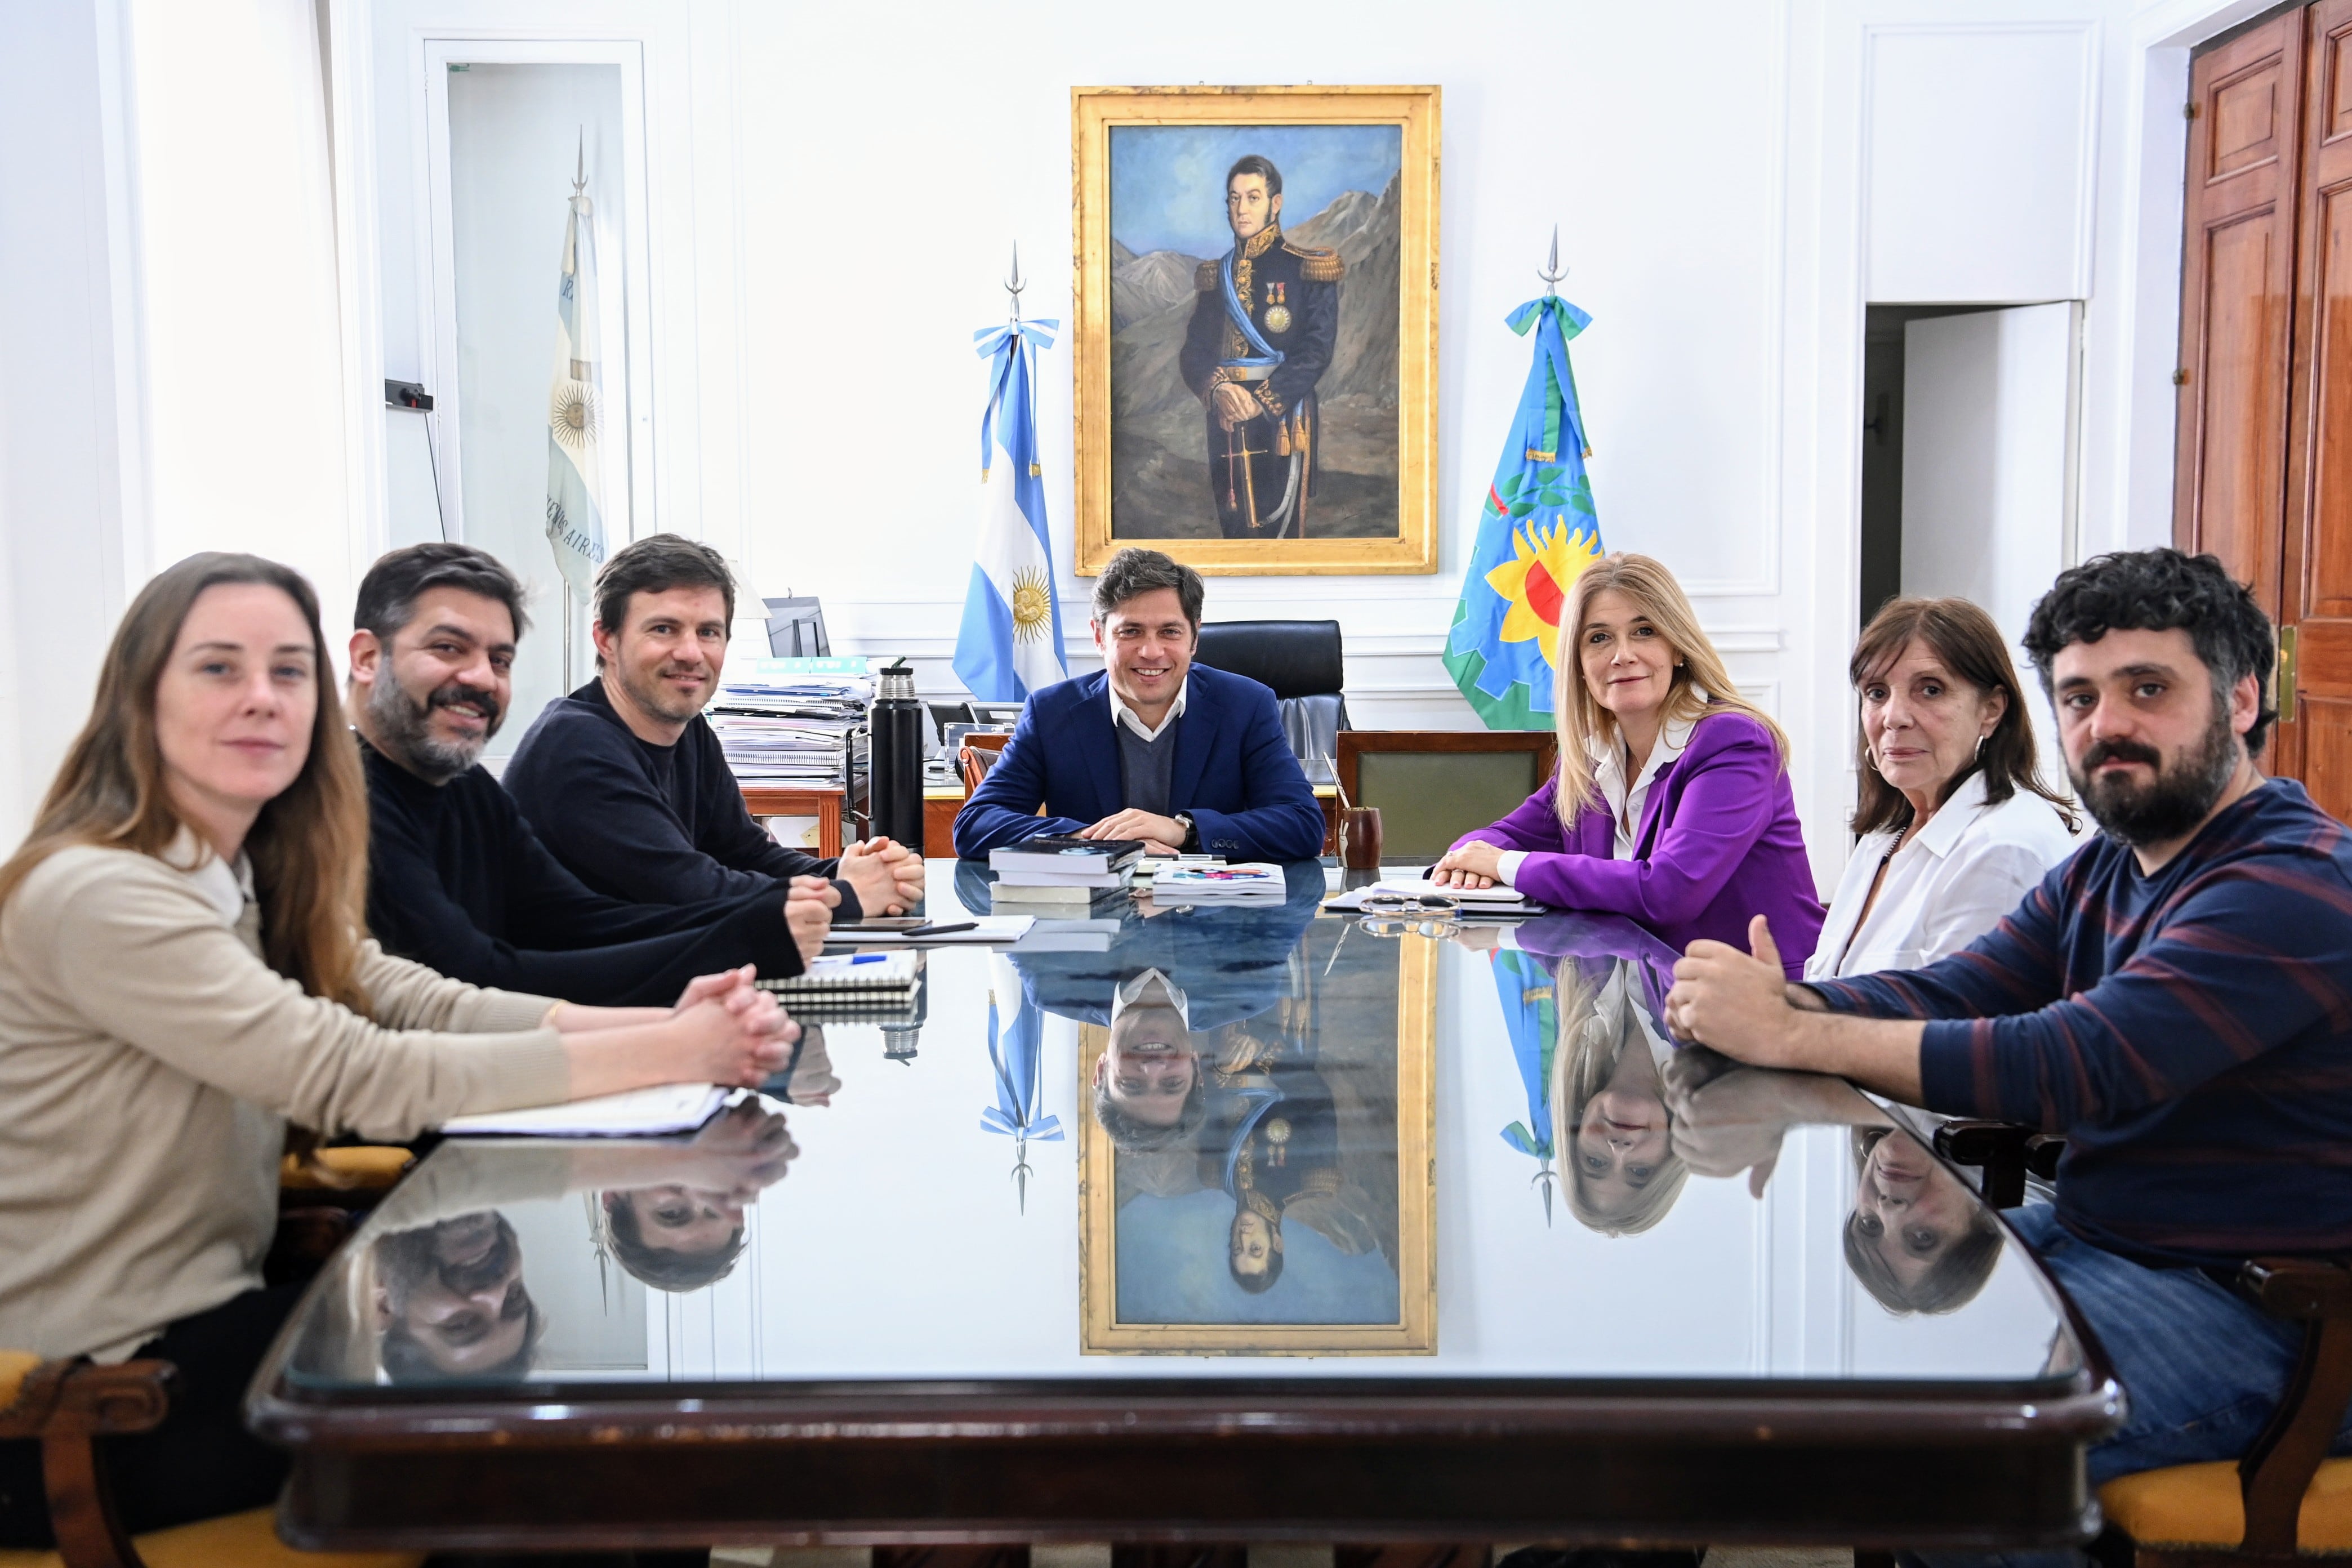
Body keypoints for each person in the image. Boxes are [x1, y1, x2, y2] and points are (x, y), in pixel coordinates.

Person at [0, 553, 796, 1547]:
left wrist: (671, 1030)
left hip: (213, 1325)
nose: (262, 698)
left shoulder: (229, 877)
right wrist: (675, 1050)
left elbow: (418, 998)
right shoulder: (103, 894)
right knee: (590, 1458)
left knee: (616, 1439)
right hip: (88, 1392)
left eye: (287, 670)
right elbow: (359, 1067)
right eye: (219, 668)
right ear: (139, 695)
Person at [1665, 547, 2352, 1509]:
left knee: (1942, 1443)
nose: (2105, 724)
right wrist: (1786, 1004)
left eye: (2146, 687)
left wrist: (1791, 1033)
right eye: (2077, 697)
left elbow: (2075, 1061)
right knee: (1818, 1329)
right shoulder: (2111, 863)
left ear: (2241, 700)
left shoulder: (2293, 879)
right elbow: (1962, 988)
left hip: (2264, 1309)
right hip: (2101, 1239)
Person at [348, 543, 834, 1006]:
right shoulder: (344, 797)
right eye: (449, 648)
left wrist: (762, 925)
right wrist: (751, 937)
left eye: (500, 659)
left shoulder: (465, 787)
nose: (481, 678)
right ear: (368, 659)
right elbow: (476, 976)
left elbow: (575, 919)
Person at [1431, 553, 1825, 975]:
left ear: (1677, 648)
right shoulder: (1592, 756)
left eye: (1644, 632)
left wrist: (1503, 864)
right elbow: (1503, 836)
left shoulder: (1733, 744)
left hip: (1759, 1005)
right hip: (1640, 994)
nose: (1623, 655)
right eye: (1598, 638)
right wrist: (1468, 859)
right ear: (1579, 665)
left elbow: (1669, 891)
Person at [505, 533, 922, 918]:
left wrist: (847, 872)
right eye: (664, 629)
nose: (691, 653)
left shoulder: (688, 730)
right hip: (569, 993)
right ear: (605, 640)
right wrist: (847, 896)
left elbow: (745, 854)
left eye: (708, 632)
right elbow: (687, 890)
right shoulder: (574, 746)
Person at [952, 548, 1325, 861]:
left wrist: (1185, 830)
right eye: (1130, 632)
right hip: (1094, 927)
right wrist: (1089, 838)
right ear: (1100, 637)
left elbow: (1302, 824)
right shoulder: (1052, 712)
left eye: (1170, 632)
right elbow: (976, 825)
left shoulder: (1245, 705)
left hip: (1213, 921)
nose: (1151, 651)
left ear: (1194, 639)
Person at [1811, 596, 2078, 980]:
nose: (1894, 717)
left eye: (1931, 690)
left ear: (1991, 710)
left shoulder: (2005, 848)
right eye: (1877, 693)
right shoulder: (1886, 835)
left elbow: (1959, 1028)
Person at [1177, 154, 1342, 538]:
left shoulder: (1307, 270)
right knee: (1234, 530)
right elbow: (1194, 352)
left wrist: (1262, 400)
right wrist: (1218, 389)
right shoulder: (1216, 276)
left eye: (1252, 197)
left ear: (1276, 204)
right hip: (1225, 416)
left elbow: (1316, 349)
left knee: (1278, 534)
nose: (1241, 208)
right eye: (1234, 199)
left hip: (1281, 417)